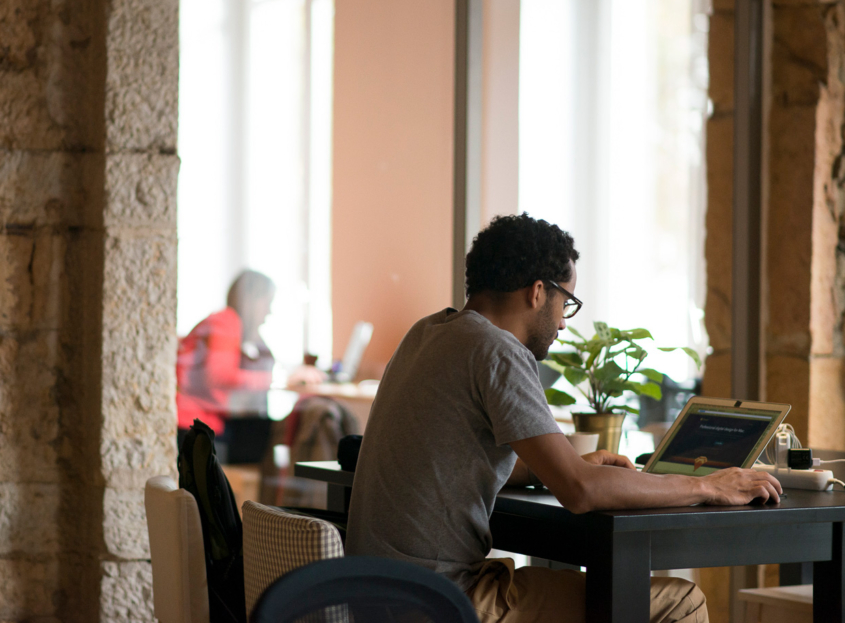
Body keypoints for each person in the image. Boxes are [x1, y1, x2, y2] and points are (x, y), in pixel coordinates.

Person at [345, 213, 782, 623]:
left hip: (373, 593)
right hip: (441, 600)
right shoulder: (497, 351)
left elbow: (454, 455)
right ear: (538, 291)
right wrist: (707, 484)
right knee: (680, 602)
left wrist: (550, 469)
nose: (563, 323)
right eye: (566, 303)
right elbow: (580, 493)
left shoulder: (428, 332)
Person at [176, 270, 324, 451]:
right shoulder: (226, 321)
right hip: (196, 423)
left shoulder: (232, 325)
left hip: (205, 420)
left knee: (279, 428)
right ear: (252, 300)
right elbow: (218, 376)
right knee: (289, 428)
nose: (269, 311)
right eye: (267, 302)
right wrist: (283, 379)